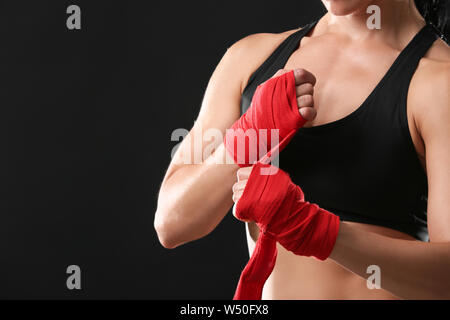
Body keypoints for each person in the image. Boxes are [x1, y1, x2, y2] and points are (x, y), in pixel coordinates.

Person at [155, 0, 450, 299]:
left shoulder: (441, 81)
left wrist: (313, 230)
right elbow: (171, 224)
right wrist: (248, 137)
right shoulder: (250, 59)